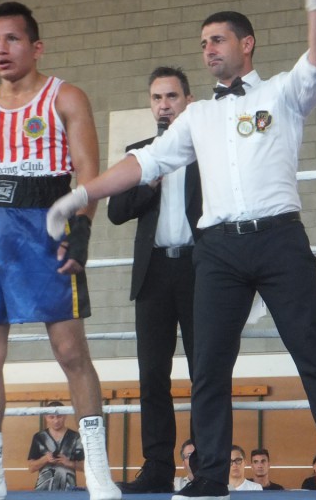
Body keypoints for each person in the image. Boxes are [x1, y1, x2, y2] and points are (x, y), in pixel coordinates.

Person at [46, 0, 316, 500]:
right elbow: (144, 164)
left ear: (245, 44)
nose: (208, 50)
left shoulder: (280, 94)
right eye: (203, 42)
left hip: (279, 238)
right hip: (219, 249)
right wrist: (83, 193)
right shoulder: (196, 115)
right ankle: (207, 477)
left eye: (218, 40)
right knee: (208, 369)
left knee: (315, 355)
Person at [0, 1, 120, 500]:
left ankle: (97, 471)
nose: (1, 49)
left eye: (12, 39)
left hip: (46, 227)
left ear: (36, 47)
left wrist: (82, 229)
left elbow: (88, 176)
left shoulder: (66, 98)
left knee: (69, 349)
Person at [108, 66, 199, 494]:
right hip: (155, 273)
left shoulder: (207, 147)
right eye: (157, 98)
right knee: (152, 376)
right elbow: (115, 211)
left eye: (172, 97)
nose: (164, 105)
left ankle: (207, 465)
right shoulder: (139, 153)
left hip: (202, 272)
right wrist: (151, 181)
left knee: (208, 372)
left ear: (187, 99)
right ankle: (158, 467)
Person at [27, 402, 85, 491]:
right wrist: (45, 459)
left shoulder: (76, 437)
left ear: (65, 415)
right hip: (43, 490)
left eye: (59, 416)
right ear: (46, 417)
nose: (56, 420)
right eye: (51, 417)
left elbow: (85, 467)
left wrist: (69, 463)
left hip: (69, 490)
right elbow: (31, 468)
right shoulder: (39, 437)